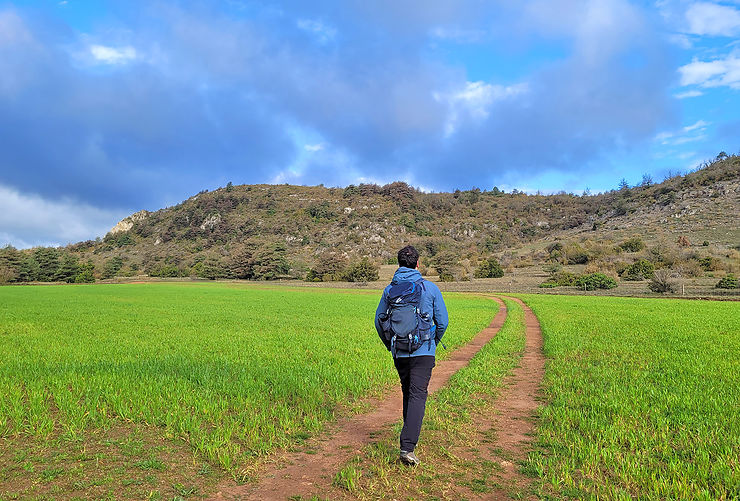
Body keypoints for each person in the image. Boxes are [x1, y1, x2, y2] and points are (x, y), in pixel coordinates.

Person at [374, 245, 448, 466]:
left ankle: (407, 440)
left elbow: (379, 320)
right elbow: (442, 321)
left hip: (400, 352)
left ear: (398, 264)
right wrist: (432, 343)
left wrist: (391, 344)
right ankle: (407, 447)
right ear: (418, 264)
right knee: (418, 395)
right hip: (423, 351)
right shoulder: (430, 288)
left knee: (408, 392)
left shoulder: (389, 290)